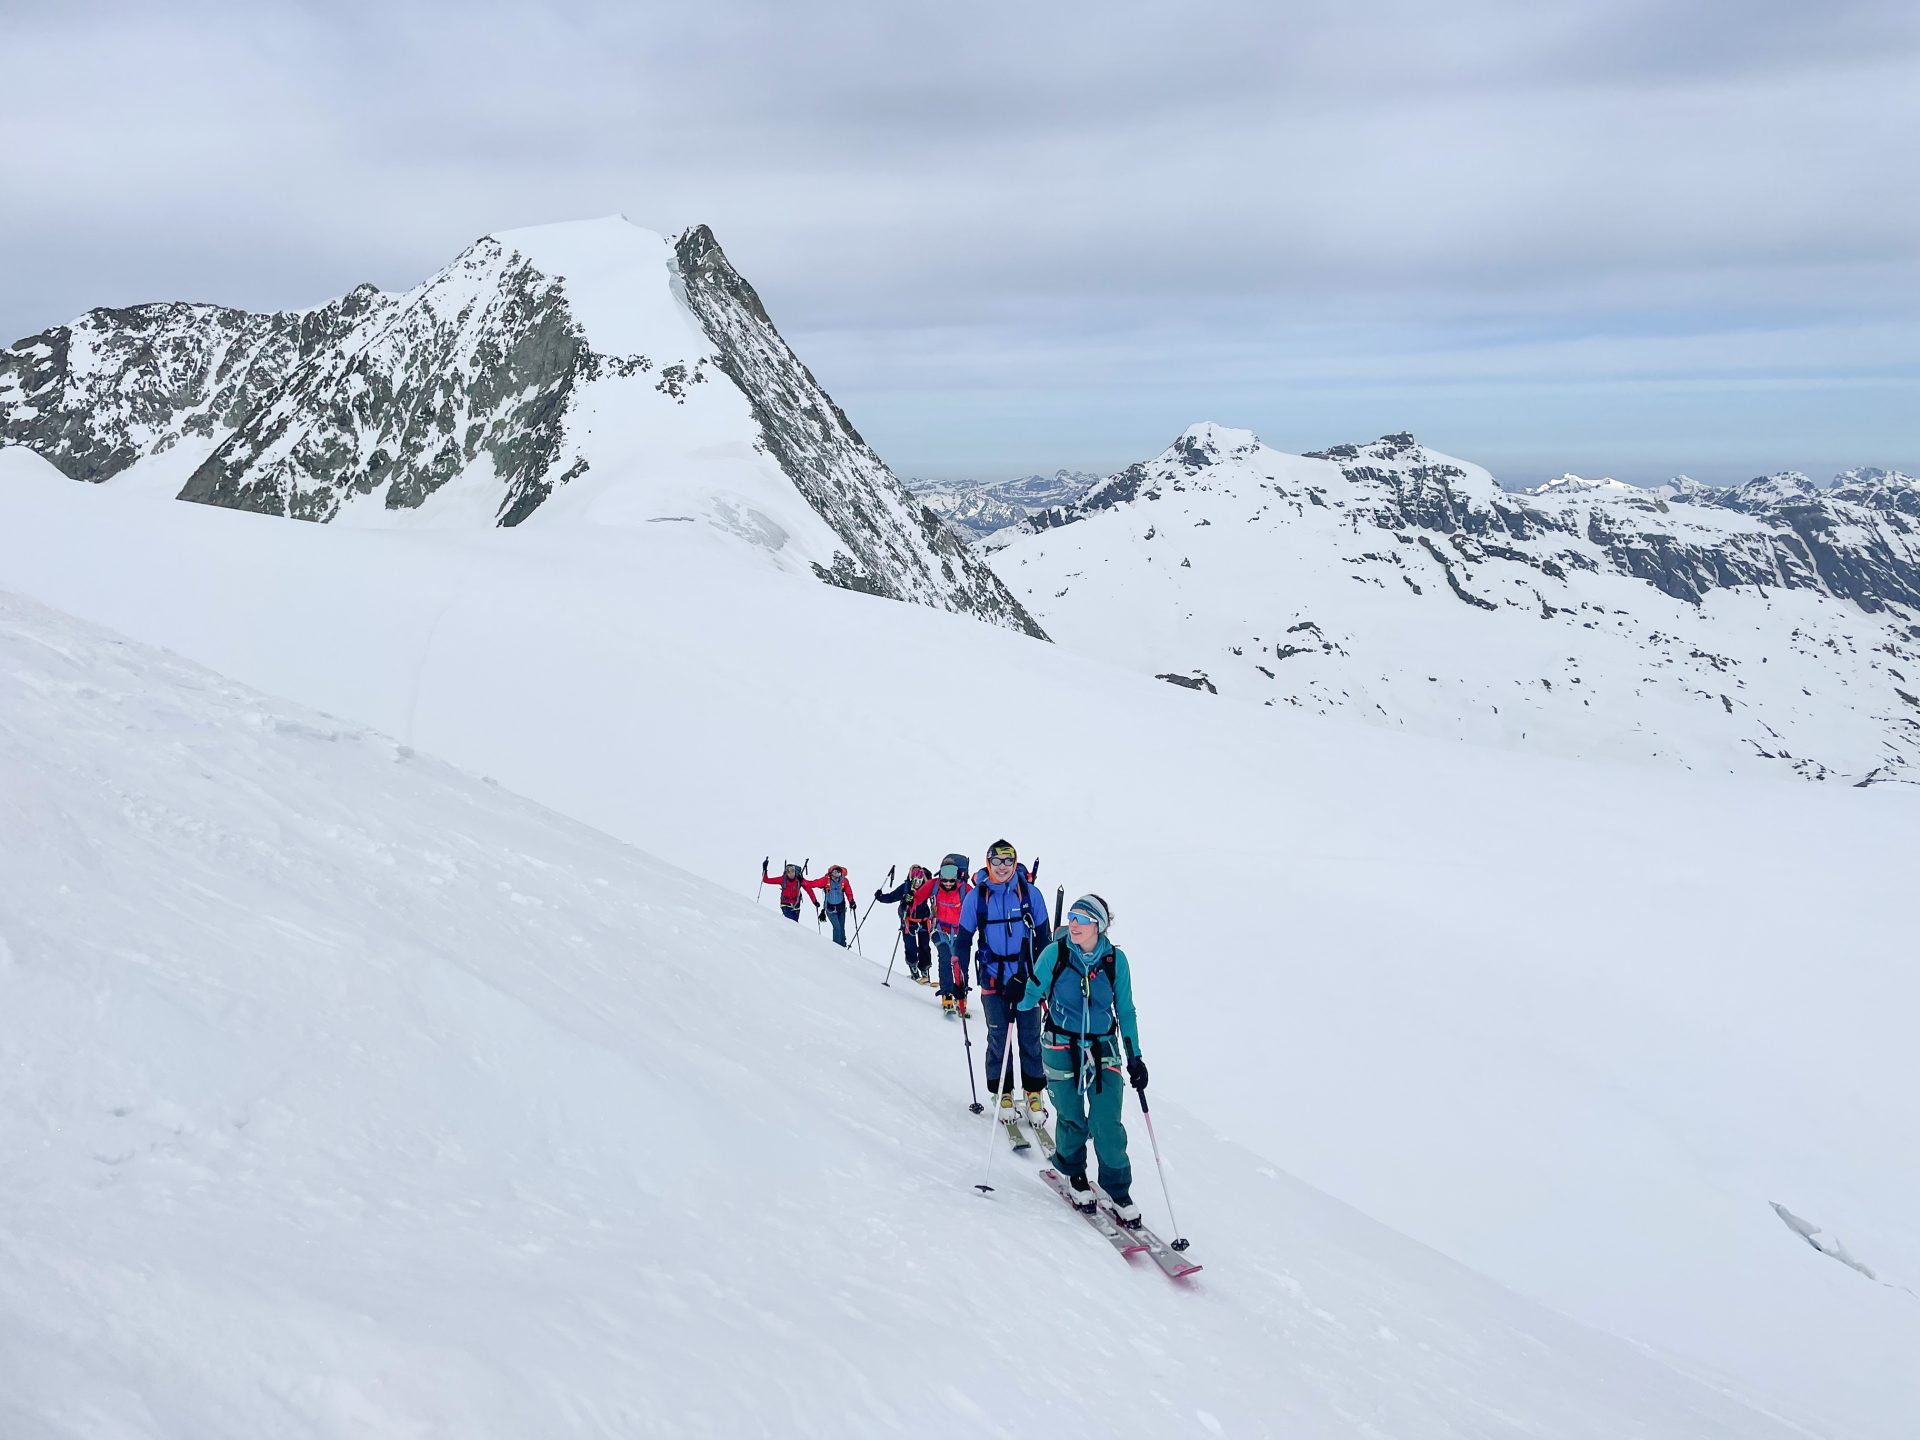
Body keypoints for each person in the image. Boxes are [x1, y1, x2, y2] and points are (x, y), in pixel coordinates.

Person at [1013, 893, 1147, 1225]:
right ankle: (1074, 1175)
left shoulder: (1116, 961)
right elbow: (1032, 992)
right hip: (1059, 1047)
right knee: (1072, 1119)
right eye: (1072, 917)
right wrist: (1017, 995)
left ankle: (1117, 1188)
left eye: (1082, 919)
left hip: (1103, 1050)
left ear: (1098, 926)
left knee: (1107, 1124)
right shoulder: (1054, 953)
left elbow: (1126, 1010)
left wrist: (1135, 1058)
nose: (1074, 924)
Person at [955, 840, 1051, 1120]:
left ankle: (1034, 1093)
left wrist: (1043, 981)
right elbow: (962, 941)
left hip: (1027, 980)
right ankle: (1003, 1091)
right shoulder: (977, 897)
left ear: (1014, 863)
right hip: (993, 980)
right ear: (988, 863)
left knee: (1031, 1038)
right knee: (999, 1036)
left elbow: (1045, 941)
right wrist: (960, 978)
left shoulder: (1030, 895)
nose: (1002, 867)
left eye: (1008, 861)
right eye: (996, 861)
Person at [921, 855, 973, 1016]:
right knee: (945, 958)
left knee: (961, 964)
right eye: (945, 880)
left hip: (960, 933)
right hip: (939, 930)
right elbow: (918, 896)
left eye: (952, 880)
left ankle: (961, 995)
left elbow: (978, 904)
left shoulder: (966, 889)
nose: (949, 883)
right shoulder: (934, 886)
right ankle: (947, 993)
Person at [875, 864, 935, 982]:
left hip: (923, 921)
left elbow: (936, 898)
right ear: (911, 878)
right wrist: (880, 897)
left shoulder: (927, 887)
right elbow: (892, 897)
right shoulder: (905, 887)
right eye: (915, 880)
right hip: (908, 921)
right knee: (910, 947)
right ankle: (914, 970)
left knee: (925, 947)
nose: (918, 882)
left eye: (920, 880)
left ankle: (925, 971)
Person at [813, 863, 857, 946]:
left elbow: (848, 892)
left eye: (838, 873)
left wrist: (851, 901)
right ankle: (837, 949)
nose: (836, 875)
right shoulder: (826, 880)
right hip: (830, 909)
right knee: (837, 928)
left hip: (841, 909)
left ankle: (843, 946)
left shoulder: (844, 880)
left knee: (841, 928)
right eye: (834, 873)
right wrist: (802, 882)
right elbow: (814, 883)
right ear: (831, 873)